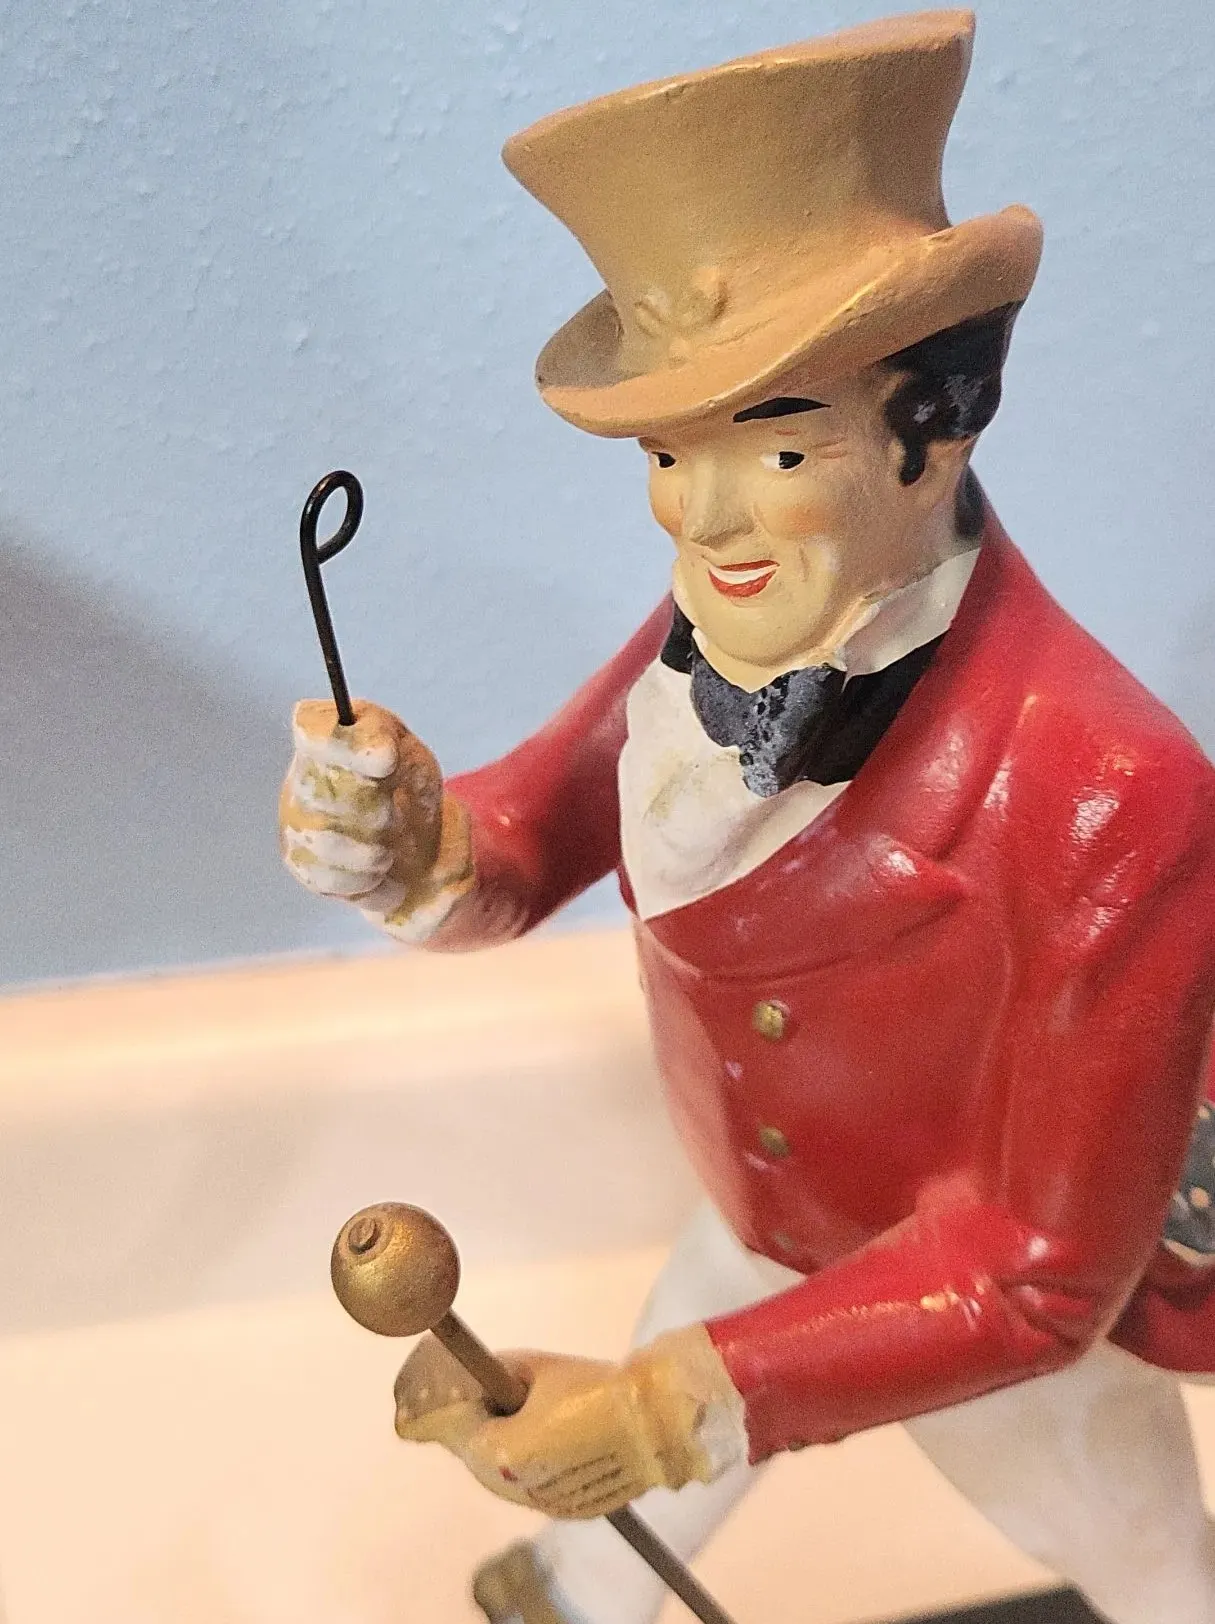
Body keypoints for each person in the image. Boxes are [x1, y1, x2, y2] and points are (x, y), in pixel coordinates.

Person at [279, 13, 1215, 1623]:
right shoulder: (718, 636)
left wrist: (665, 1408)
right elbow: (547, 819)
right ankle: (575, 1593)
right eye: (667, 452)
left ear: (933, 428)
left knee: (1142, 1561)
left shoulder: (1109, 789)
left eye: (778, 446)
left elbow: (1038, 1271)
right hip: (756, 1216)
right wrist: (417, 849)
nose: (702, 521)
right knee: (635, 1462)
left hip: (957, 1306)